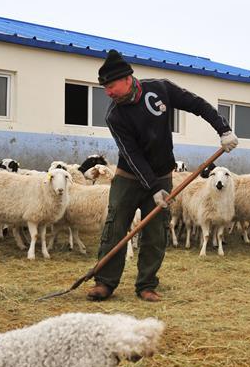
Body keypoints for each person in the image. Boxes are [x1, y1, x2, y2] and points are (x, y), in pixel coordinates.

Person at [87, 49, 238, 302]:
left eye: (110, 86)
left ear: (127, 79)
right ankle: (104, 282)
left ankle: (146, 285)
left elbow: (197, 104)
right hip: (128, 178)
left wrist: (223, 129)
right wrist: (153, 188)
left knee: (156, 232)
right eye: (104, 88)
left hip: (162, 174)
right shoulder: (115, 115)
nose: (108, 92)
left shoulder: (160, 89)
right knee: (115, 229)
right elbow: (132, 155)